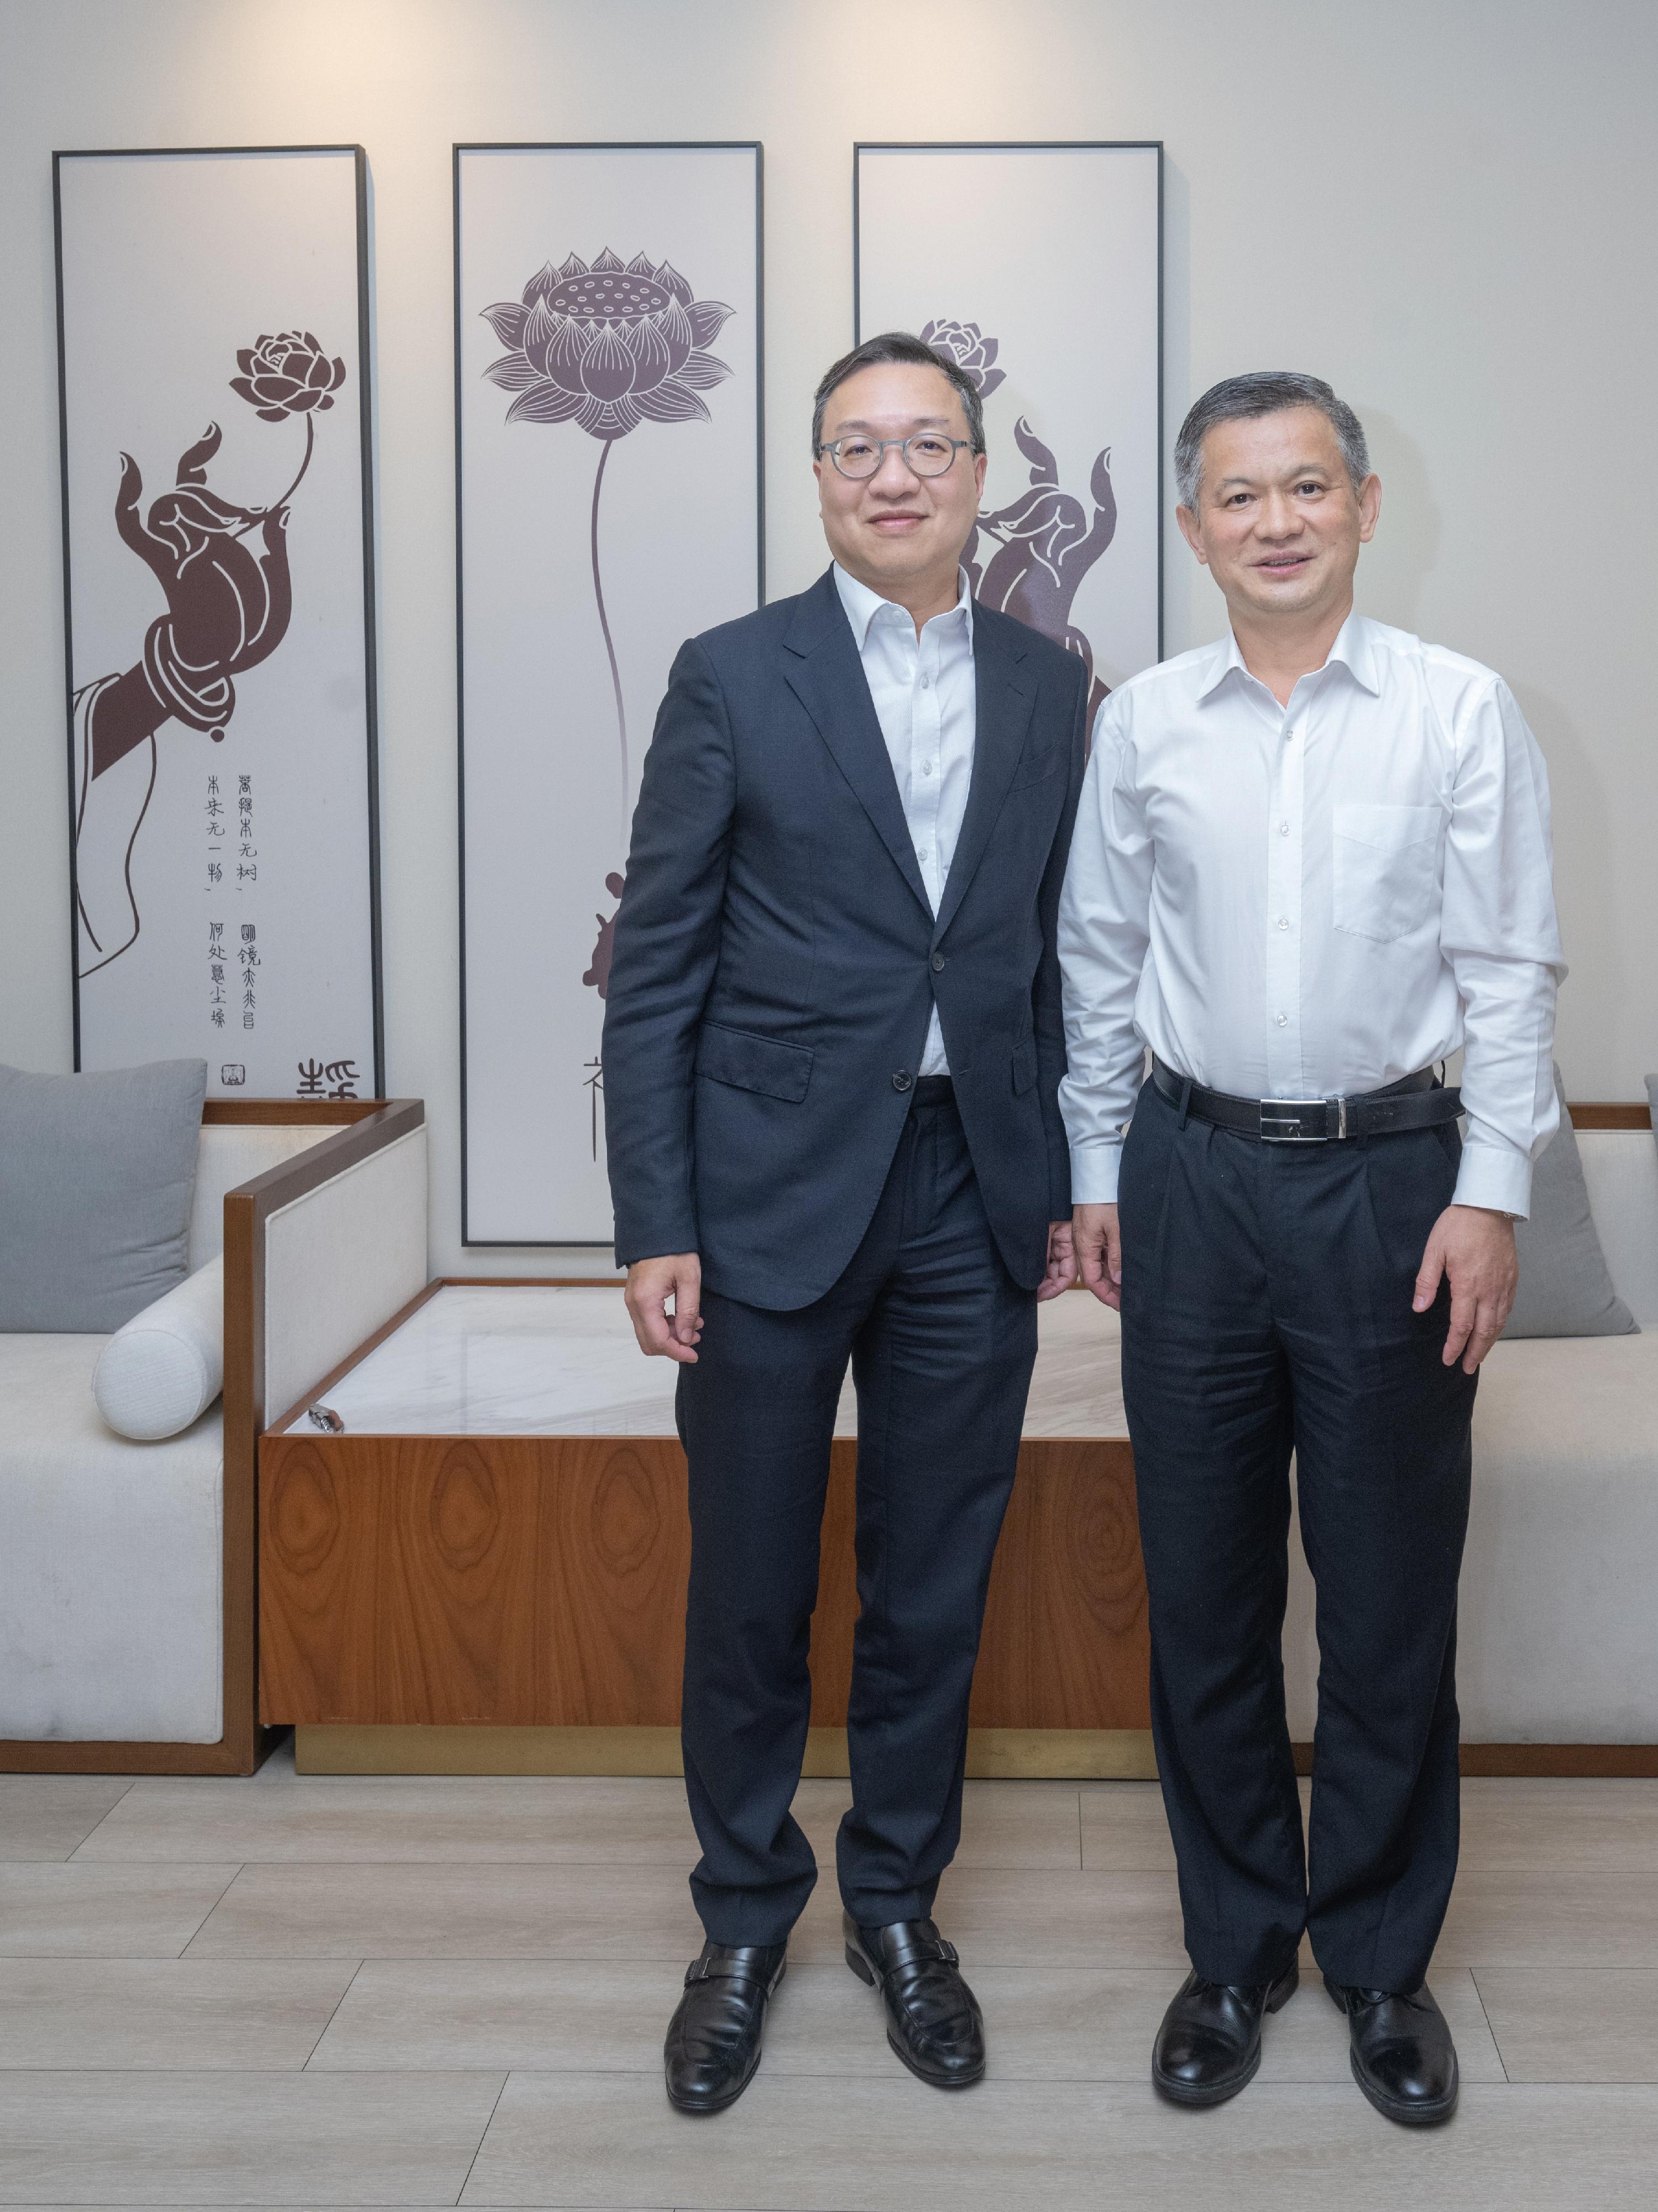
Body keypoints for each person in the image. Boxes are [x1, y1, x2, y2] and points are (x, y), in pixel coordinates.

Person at [1059, 371, 1563, 2126]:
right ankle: (1233, 1951)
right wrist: (1098, 1169)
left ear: (1360, 503)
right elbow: (1099, 962)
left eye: (1306, 486)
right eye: (1235, 494)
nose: (1273, 520)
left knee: (1386, 1599)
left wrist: (1489, 1193)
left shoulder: (1459, 710)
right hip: (1190, 1181)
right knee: (1200, 1593)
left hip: (1393, 1188)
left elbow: (1508, 975)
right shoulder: (1147, 726)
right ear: (1192, 525)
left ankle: (1377, 1964)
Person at [602, 331, 1089, 2114]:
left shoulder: (1053, 685)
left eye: (930, 446)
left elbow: (1045, 957)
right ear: (816, 477)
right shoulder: (734, 674)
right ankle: (741, 1921)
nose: (896, 475)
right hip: (760, 1203)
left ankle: (897, 1904)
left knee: (930, 1589)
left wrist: (1070, 1174)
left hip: (975, 1194)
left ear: (980, 475)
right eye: (858, 447)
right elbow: (652, 971)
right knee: (746, 1589)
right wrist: (657, 1218)